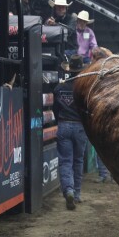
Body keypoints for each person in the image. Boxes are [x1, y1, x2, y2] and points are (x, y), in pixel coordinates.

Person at [52, 55, 88, 210]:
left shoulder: (60, 87)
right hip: (80, 126)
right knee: (78, 160)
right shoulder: (84, 88)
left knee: (66, 161)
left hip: (63, 124)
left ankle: (69, 190)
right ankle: (77, 193)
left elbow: (54, 108)